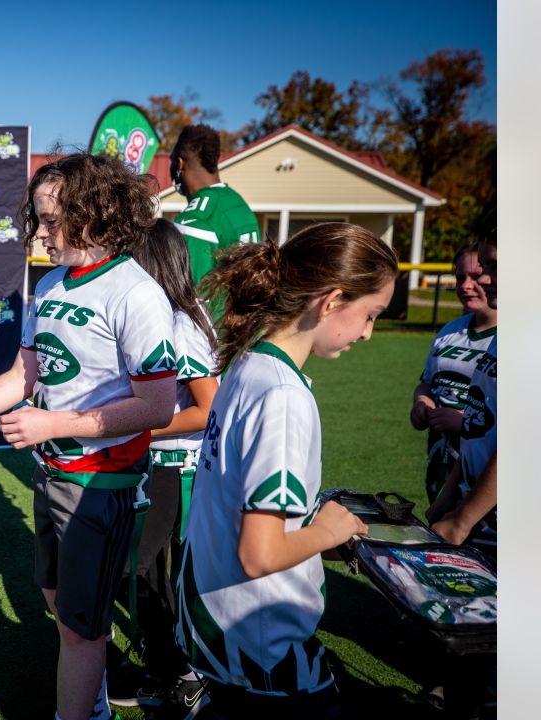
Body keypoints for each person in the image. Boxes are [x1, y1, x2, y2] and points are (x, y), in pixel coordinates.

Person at [0, 153, 179, 720]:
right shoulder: (53, 283)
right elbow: (22, 378)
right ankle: (96, 705)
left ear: (96, 216)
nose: (38, 232)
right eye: (37, 218)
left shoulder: (136, 295)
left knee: (82, 633)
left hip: (100, 487)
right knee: (61, 609)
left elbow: (159, 407)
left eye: (52, 221)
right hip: (51, 476)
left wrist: (53, 424)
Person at [177, 223, 397, 718]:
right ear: (332, 300)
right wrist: (326, 530)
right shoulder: (283, 396)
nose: (368, 332)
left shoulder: (248, 365)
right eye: (370, 315)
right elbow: (260, 554)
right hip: (260, 645)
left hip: (216, 623)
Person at [108, 219, 219, 716]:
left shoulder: (180, 322)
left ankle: (184, 671)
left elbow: (207, 409)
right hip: (161, 466)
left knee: (149, 569)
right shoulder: (169, 314)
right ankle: (167, 664)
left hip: (178, 469)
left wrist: (140, 428)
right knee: (147, 570)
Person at [426, 231, 497, 719]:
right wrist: (451, 497)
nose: (481, 280)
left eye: (488, 267)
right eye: (473, 270)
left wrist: (463, 518)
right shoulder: (475, 341)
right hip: (471, 501)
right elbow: (480, 429)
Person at [410, 243, 497, 503]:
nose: (466, 285)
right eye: (460, 277)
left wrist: (462, 423)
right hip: (441, 460)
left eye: (477, 275)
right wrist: (421, 401)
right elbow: (427, 382)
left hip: (484, 476)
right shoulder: (450, 330)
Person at [169, 124, 260, 289]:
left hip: (218, 314)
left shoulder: (196, 217)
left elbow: (198, 301)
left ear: (180, 163)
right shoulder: (238, 203)